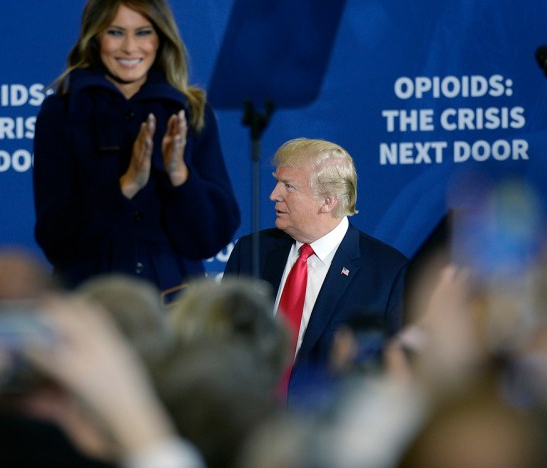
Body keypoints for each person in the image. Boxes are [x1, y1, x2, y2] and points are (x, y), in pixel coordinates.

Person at [32, 0, 240, 293]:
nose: (130, 47)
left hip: (174, 308)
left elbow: (210, 238)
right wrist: (126, 186)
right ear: (95, 39)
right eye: (115, 32)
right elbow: (56, 239)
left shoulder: (191, 110)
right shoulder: (61, 113)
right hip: (89, 306)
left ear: (160, 39)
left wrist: (179, 174)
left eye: (143, 32)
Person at [224, 137, 408, 408]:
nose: (273, 194)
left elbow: (394, 377)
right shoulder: (250, 252)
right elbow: (222, 343)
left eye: (288, 186)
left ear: (327, 201)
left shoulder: (387, 272)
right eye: (277, 182)